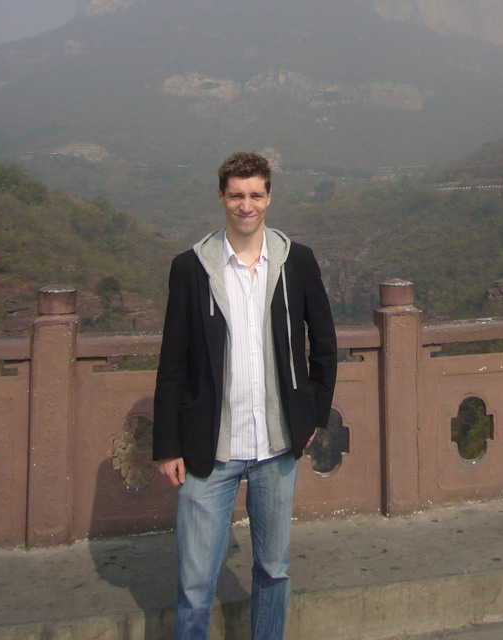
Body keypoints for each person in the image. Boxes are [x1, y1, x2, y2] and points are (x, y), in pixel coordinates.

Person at [153, 151, 337, 640]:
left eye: (255, 194)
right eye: (236, 194)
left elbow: (325, 343)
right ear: (221, 197)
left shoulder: (296, 262)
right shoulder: (192, 269)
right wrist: (168, 444)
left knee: (273, 569)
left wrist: (312, 412)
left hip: (277, 444)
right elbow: (173, 362)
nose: (246, 205)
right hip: (208, 448)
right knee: (195, 584)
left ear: (269, 197)